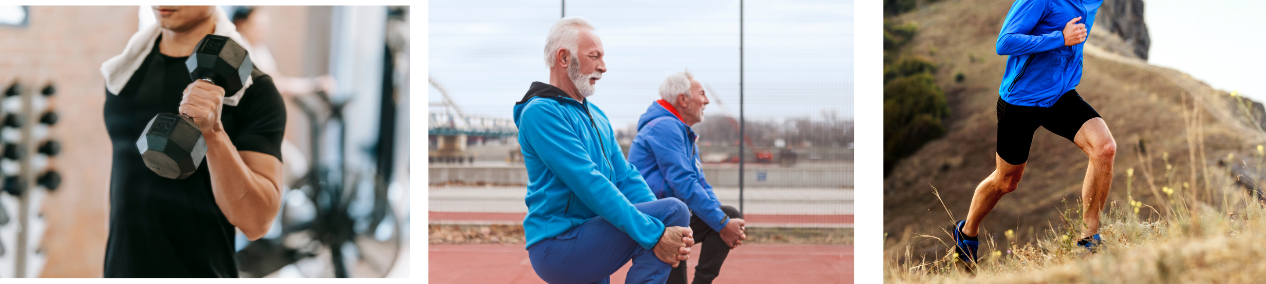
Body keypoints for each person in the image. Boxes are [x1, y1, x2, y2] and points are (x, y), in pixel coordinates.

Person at [99, 5, 285, 278]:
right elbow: (123, 178)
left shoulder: (254, 92)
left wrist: (214, 133)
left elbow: (257, 222)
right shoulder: (124, 74)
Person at [515, 17, 695, 283]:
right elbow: (589, 182)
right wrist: (656, 231)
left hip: (590, 234)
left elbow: (625, 177)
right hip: (559, 243)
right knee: (674, 211)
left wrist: (660, 221)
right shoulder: (541, 113)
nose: (603, 66)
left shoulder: (596, 115)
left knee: (670, 217)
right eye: (594, 56)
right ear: (564, 58)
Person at [953, 0, 1116, 266]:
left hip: (1060, 95)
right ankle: (966, 231)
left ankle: (1089, 241)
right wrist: (1059, 38)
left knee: (1104, 148)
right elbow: (1004, 43)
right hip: (1021, 100)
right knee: (1006, 181)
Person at [627, 70, 747, 284]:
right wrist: (722, 224)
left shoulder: (683, 132)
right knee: (721, 219)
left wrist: (723, 223)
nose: (707, 100)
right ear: (683, 99)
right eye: (701, 93)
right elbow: (683, 182)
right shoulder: (665, 126)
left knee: (727, 215)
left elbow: (700, 183)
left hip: (673, 217)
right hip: (656, 221)